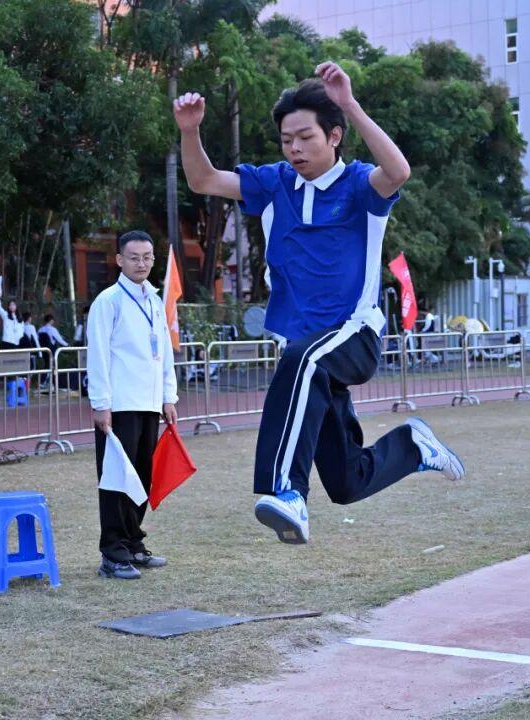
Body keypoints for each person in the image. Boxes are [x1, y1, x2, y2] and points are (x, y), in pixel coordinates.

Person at [174, 62, 464, 545]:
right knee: (347, 481)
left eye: (305, 137)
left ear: (333, 136)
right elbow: (203, 180)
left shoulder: (359, 185)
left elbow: (399, 171)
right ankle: (413, 446)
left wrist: (348, 103)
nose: (294, 148)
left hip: (353, 335)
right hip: (307, 354)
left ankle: (286, 491)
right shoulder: (274, 184)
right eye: (287, 140)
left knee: (303, 358)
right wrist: (190, 131)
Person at [87, 230, 179, 580]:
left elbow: (164, 352)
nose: (142, 263)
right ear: (119, 260)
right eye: (134, 257)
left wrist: (168, 397)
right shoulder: (108, 301)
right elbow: (97, 355)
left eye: (147, 257)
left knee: (142, 476)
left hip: (149, 403)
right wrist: (101, 404)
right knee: (117, 477)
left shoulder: (154, 300)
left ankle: (133, 542)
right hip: (120, 404)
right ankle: (112, 552)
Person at [0, 287, 27, 407]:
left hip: (16, 344)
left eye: (14, 305)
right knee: (7, 365)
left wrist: (19, 340)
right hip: (7, 343)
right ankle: (8, 382)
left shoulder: (20, 319)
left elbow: (21, 331)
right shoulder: (5, 316)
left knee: (16, 364)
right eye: (10, 305)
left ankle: (16, 383)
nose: (12, 306)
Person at [37, 313, 69, 393]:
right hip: (52, 350)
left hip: (44, 350)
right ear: (51, 321)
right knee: (52, 366)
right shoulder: (52, 329)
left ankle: (44, 381)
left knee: (46, 365)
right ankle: (48, 382)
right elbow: (59, 339)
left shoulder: (40, 330)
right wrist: (67, 345)